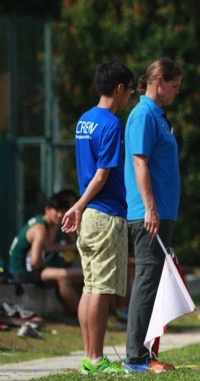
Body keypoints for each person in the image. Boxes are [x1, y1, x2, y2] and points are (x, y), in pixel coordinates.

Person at [61, 60, 134, 375]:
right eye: (130, 91)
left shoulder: (84, 120)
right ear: (119, 89)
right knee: (101, 289)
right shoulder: (112, 124)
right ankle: (95, 358)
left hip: (90, 216)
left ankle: (89, 357)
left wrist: (80, 207)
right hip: (104, 214)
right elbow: (102, 176)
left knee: (90, 286)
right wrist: (78, 205)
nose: (129, 97)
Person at [123, 57, 183, 374]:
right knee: (146, 281)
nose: (176, 93)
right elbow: (139, 162)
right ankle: (134, 358)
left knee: (154, 282)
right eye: (173, 87)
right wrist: (149, 207)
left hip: (161, 213)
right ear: (159, 81)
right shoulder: (143, 115)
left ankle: (145, 355)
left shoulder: (158, 116)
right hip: (149, 214)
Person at [8, 192, 84, 316]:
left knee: (74, 275)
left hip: (29, 270)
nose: (60, 215)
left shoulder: (45, 224)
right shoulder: (40, 229)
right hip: (21, 273)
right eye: (57, 210)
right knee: (64, 276)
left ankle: (77, 313)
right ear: (47, 209)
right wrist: (52, 270)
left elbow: (48, 247)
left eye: (63, 211)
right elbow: (36, 261)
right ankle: (81, 316)